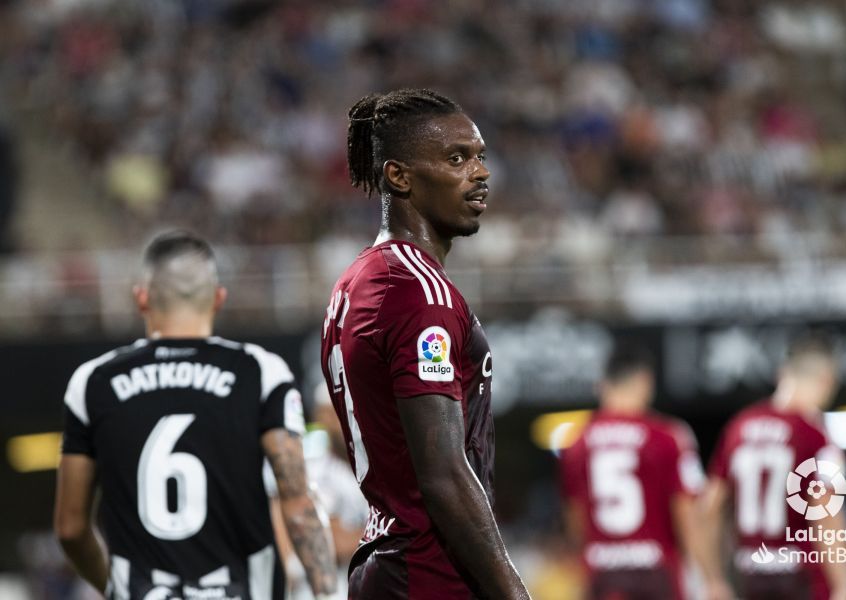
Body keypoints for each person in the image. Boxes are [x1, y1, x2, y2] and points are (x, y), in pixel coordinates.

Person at [320, 88, 530, 599]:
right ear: (399, 176)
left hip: (384, 564)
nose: (479, 172)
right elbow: (444, 475)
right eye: (457, 158)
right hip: (430, 575)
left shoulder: (357, 282)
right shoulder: (420, 294)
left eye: (480, 156)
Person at [54, 231, 339, 599]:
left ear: (141, 297)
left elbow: (70, 528)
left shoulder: (93, 382)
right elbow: (298, 504)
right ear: (219, 298)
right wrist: (328, 594)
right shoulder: (260, 372)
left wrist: (114, 588)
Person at [701, 333, 846, 600]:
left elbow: (710, 507)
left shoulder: (739, 428)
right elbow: (825, 512)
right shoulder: (815, 434)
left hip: (750, 574)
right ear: (827, 380)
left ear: (782, 375)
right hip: (802, 577)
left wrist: (713, 577)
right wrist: (842, 583)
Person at [558, 344, 707, 599]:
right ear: (644, 382)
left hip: (602, 572)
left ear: (603, 385)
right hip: (657, 572)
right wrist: (706, 576)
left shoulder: (576, 444)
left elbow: (575, 519)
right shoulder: (668, 436)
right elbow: (686, 513)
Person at [270, 383, 368, 599]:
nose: (352, 422)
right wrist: (383, 535)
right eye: (337, 413)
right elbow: (332, 541)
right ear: (322, 416)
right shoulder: (310, 469)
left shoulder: (375, 467)